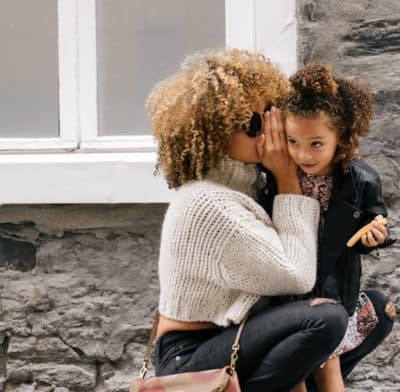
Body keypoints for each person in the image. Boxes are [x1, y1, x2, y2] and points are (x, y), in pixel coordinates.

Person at [146, 48, 349, 392]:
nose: (267, 131)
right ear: (215, 131)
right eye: (253, 124)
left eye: (270, 115)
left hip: (230, 340)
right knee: (326, 320)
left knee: (372, 309)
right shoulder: (207, 203)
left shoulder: (247, 187)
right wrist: (288, 179)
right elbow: (296, 274)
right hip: (189, 356)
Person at [257, 62, 396, 392]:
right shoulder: (275, 176)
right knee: (298, 371)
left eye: (316, 143)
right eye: (293, 141)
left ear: (341, 137)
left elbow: (373, 222)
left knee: (328, 364)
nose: (303, 154)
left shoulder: (361, 180)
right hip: (286, 288)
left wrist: (374, 237)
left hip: (333, 288)